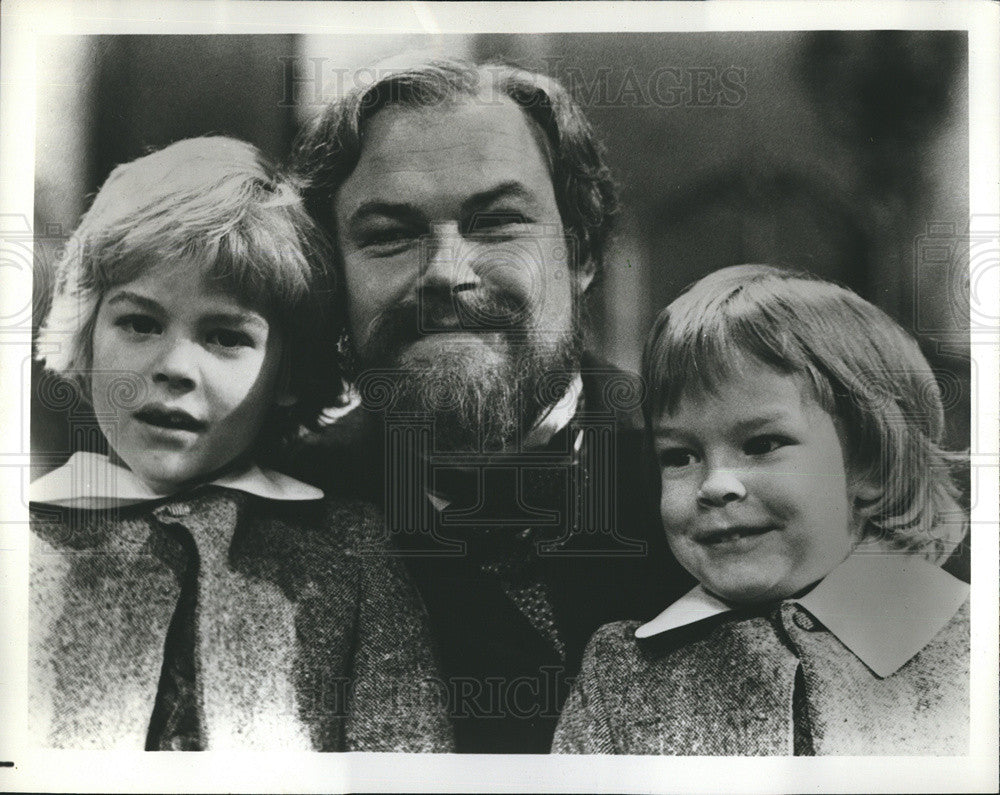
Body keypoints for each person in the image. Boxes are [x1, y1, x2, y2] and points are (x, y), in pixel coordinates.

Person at [290, 56, 693, 752]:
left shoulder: (714, 475)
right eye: (389, 234)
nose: (447, 273)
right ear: (332, 275)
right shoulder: (284, 512)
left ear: (583, 252)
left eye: (498, 223)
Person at [29, 137, 453, 752]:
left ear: (288, 375)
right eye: (140, 323)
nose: (174, 366)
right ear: (88, 336)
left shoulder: (349, 556)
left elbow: (409, 761)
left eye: (225, 336)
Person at [552, 264, 970, 755]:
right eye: (680, 456)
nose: (715, 485)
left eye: (762, 444)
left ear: (873, 468)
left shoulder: (970, 650)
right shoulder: (622, 675)